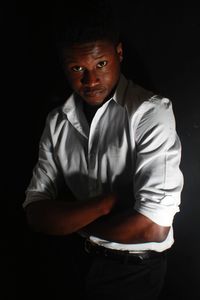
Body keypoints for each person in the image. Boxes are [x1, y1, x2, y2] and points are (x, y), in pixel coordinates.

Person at [23, 1, 183, 299]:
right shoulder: (57, 121)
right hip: (70, 265)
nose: (90, 79)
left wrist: (69, 222)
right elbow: (35, 214)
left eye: (101, 64)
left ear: (118, 55)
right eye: (77, 68)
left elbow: (152, 228)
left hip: (133, 273)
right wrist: (106, 204)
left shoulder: (150, 112)